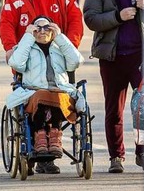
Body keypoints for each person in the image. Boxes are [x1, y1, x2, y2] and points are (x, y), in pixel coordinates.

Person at [0, 0, 83, 174]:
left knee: (56, 95)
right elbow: (6, 24)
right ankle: (34, 147)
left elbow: (76, 22)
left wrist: (68, 46)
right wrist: (10, 48)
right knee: (34, 99)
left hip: (57, 61)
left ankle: (48, 154)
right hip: (28, 63)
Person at [83, 0, 144, 173]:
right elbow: (91, 18)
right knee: (114, 110)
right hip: (111, 58)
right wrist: (118, 16)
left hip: (140, 57)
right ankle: (116, 157)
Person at [6, 16, 85, 169]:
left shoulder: (59, 47)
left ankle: (55, 135)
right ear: (32, 31)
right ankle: (40, 136)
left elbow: (76, 62)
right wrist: (28, 37)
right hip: (34, 93)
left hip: (60, 91)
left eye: (47, 27)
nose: (42, 31)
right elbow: (16, 64)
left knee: (58, 94)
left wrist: (60, 37)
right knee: (42, 94)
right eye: (37, 28)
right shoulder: (26, 47)